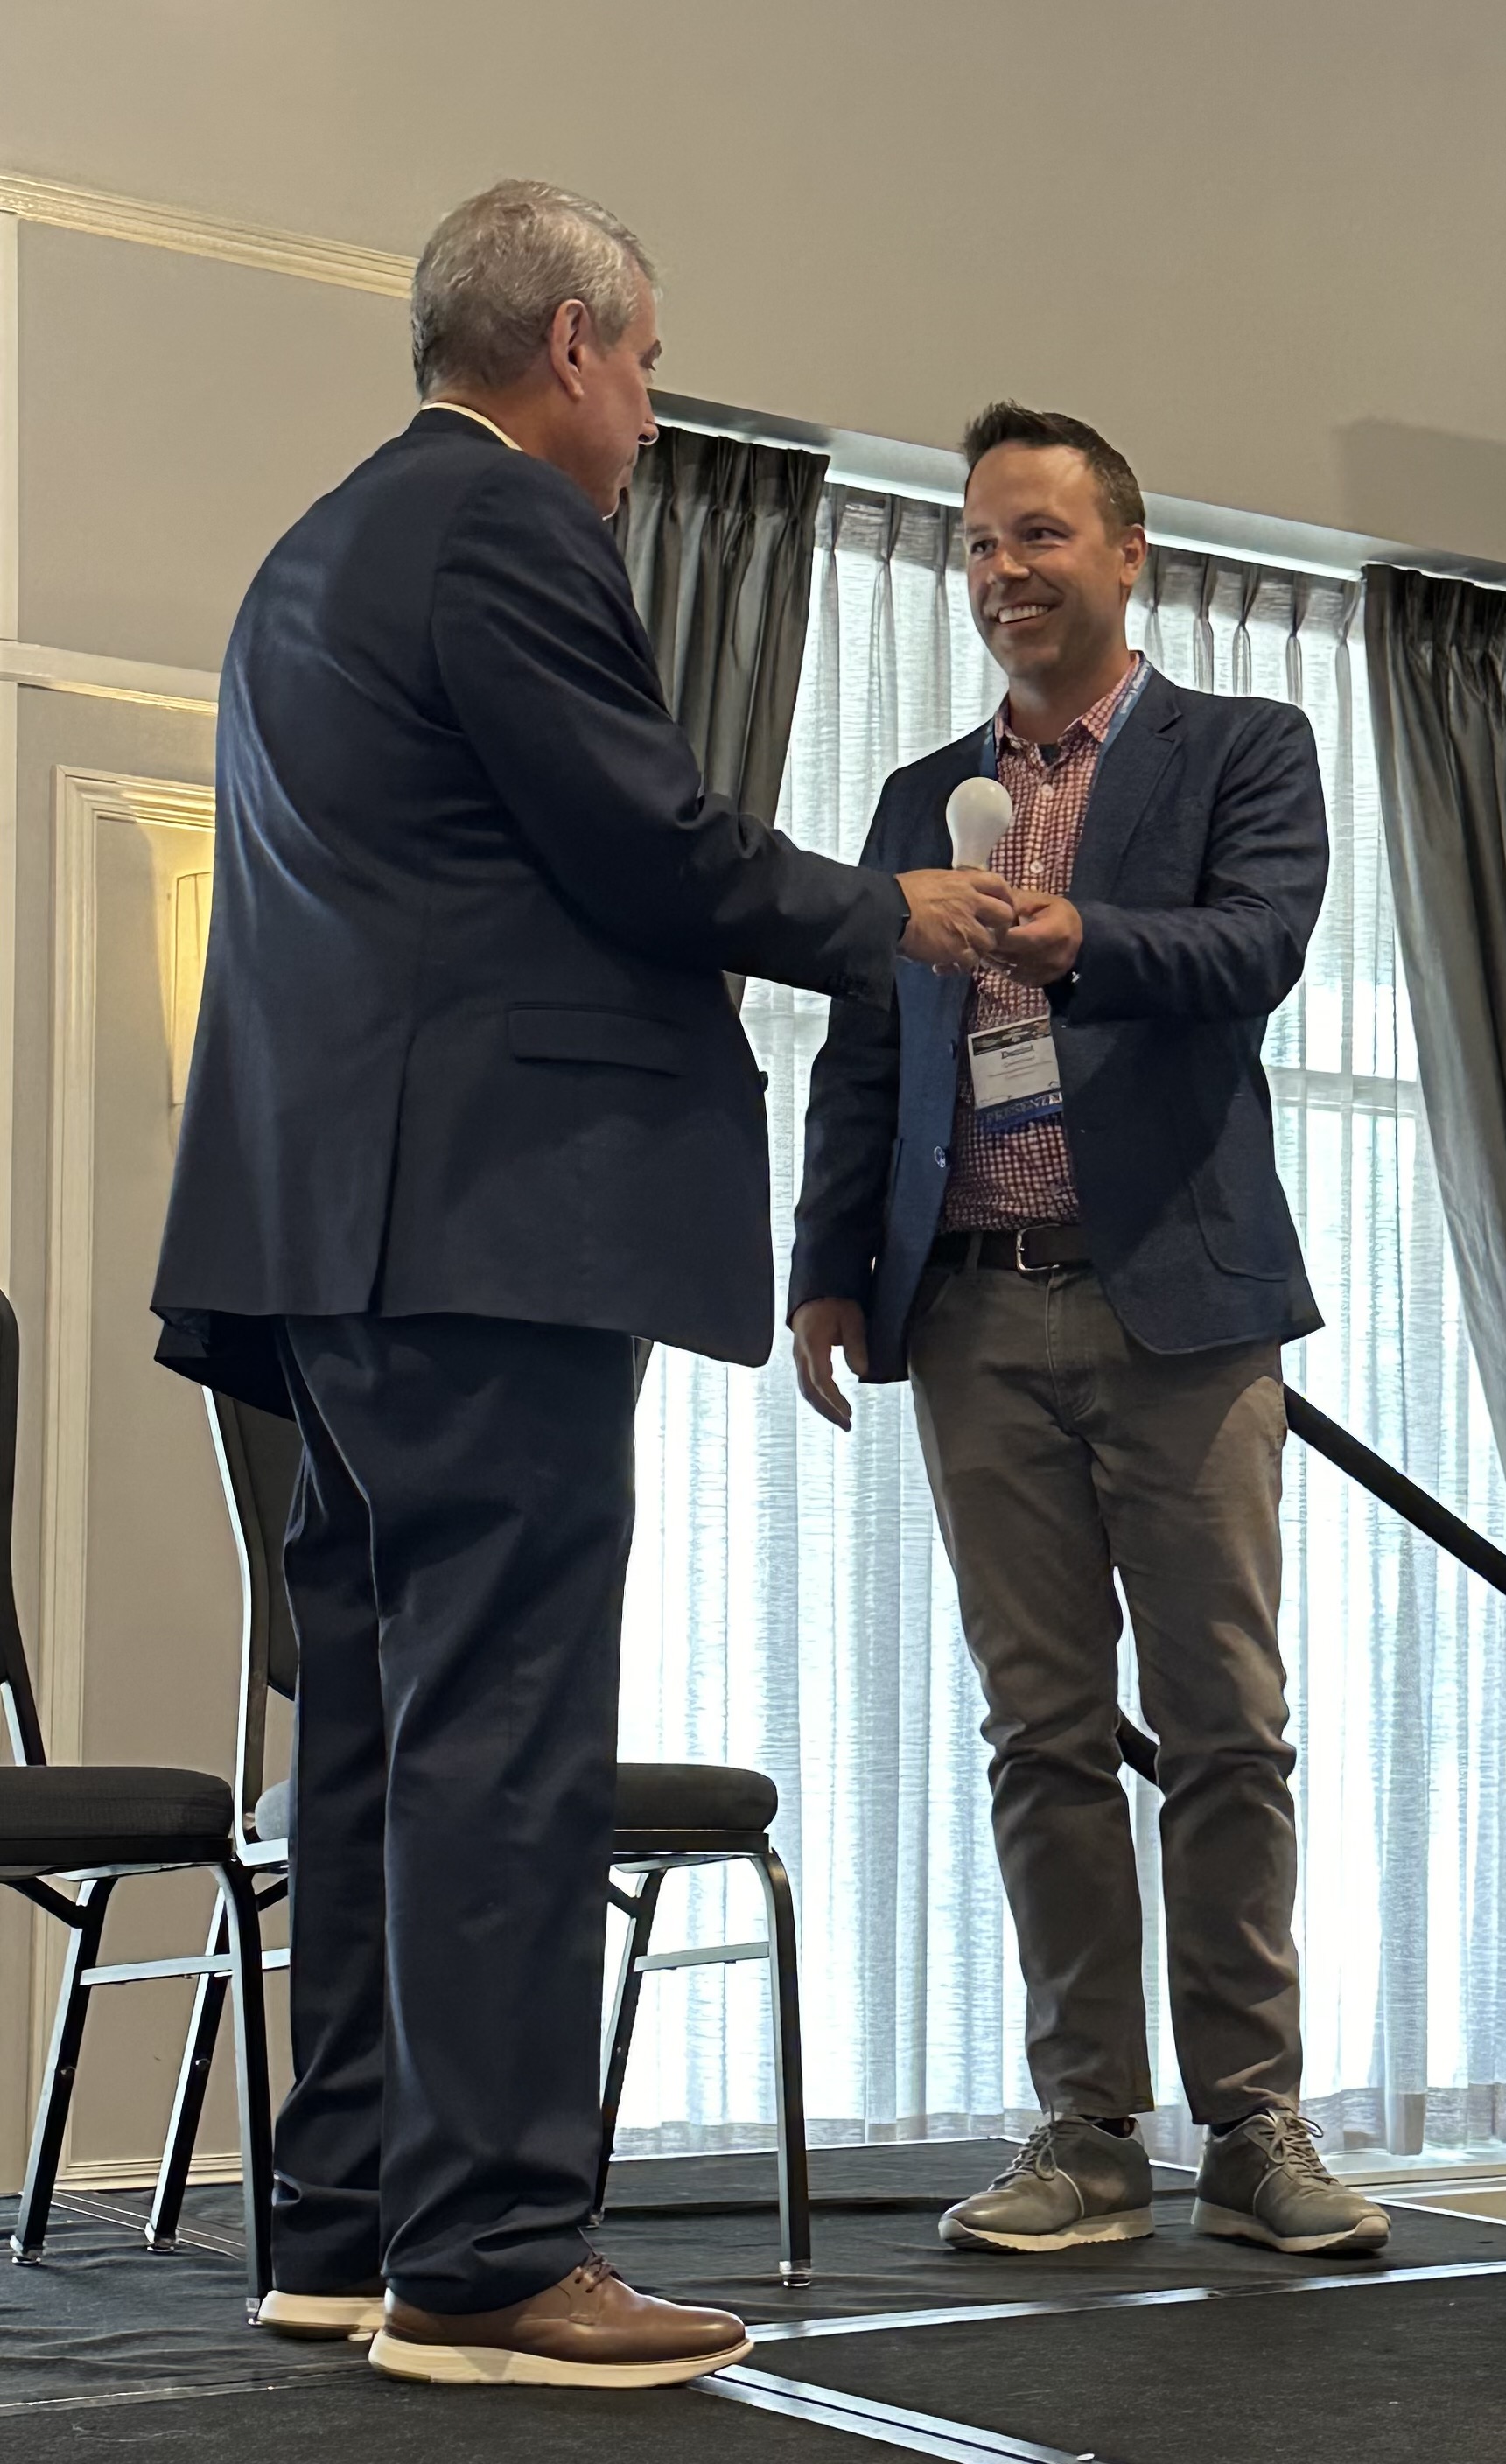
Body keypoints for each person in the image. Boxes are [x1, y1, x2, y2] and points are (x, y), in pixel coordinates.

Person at [151, 179, 1014, 2390]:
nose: (644, 413)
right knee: (510, 1730)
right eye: (640, 367)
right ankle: (495, 2260)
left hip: (323, 1231)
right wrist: (885, 915)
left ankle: (343, 2225)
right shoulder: (513, 531)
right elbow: (648, 838)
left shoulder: (314, 551)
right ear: (566, 342)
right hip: (487, 1222)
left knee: (375, 1725)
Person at [791, 403, 1389, 2259]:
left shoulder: (1239, 750)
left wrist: (1075, 943)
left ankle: (1256, 2128)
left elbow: (1257, 950)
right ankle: (1083, 2134)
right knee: (1037, 1731)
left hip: (1181, 1313)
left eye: (1038, 536)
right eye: (978, 544)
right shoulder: (916, 801)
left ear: (1126, 555)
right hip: (970, 1311)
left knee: (1225, 1726)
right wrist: (823, 1267)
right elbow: (866, 1051)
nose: (1001, 572)